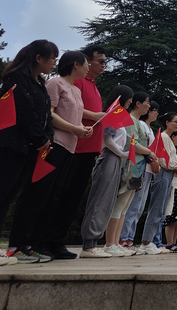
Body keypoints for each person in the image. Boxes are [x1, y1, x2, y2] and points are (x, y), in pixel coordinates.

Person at [0, 39, 57, 265]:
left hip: (28, 147)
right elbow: (24, 113)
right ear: (38, 58)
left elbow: (44, 115)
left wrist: (47, 137)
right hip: (9, 145)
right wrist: (40, 138)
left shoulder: (40, 83)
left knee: (8, 196)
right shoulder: (17, 79)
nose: (54, 63)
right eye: (52, 58)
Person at [29, 51, 93, 260]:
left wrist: (82, 128)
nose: (88, 68)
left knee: (59, 196)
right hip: (55, 144)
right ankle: (35, 242)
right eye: (86, 64)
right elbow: (49, 113)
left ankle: (53, 242)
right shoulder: (56, 84)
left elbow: (73, 116)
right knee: (45, 194)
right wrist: (74, 129)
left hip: (70, 148)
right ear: (76, 64)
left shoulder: (76, 90)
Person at [58, 44, 108, 251]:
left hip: (89, 148)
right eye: (100, 61)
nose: (104, 65)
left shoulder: (94, 85)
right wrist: (95, 116)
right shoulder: (78, 81)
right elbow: (70, 106)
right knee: (63, 194)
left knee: (74, 197)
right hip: (74, 146)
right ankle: (48, 240)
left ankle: (56, 241)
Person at [80, 85, 133, 258]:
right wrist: (122, 153)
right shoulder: (112, 114)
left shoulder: (117, 115)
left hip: (116, 159)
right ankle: (89, 243)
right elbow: (108, 139)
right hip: (109, 157)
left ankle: (94, 241)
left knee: (107, 200)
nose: (130, 102)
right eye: (129, 98)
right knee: (100, 199)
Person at [103, 92, 157, 256]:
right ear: (138, 103)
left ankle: (116, 242)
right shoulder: (129, 120)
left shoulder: (137, 123)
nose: (149, 106)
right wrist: (150, 152)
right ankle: (110, 243)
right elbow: (130, 142)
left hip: (137, 166)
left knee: (125, 207)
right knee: (120, 205)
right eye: (147, 102)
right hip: (130, 165)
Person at [139, 112, 177, 254]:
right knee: (157, 208)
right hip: (163, 173)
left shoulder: (168, 138)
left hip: (169, 175)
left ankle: (151, 240)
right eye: (175, 121)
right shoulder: (163, 137)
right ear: (167, 122)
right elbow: (163, 159)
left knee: (162, 210)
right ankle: (146, 241)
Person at [121, 100, 160, 250]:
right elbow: (138, 145)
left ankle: (130, 236)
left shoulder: (149, 128)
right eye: (149, 105)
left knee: (139, 206)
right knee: (132, 204)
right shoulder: (140, 124)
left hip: (148, 168)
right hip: (139, 166)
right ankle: (124, 237)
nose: (152, 109)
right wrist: (151, 155)